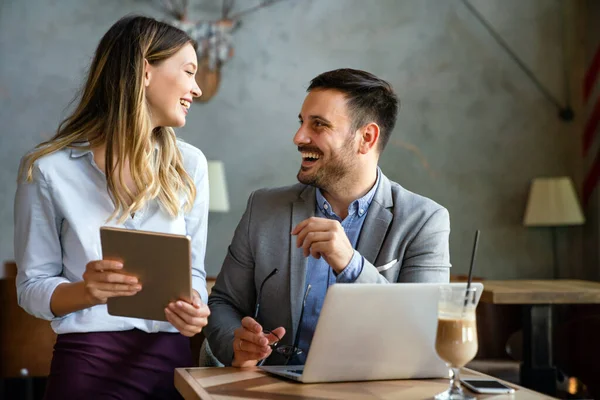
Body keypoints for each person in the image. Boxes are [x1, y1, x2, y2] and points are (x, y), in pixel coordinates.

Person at [14, 15, 210, 399]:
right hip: (87, 366)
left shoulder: (191, 165)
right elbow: (31, 287)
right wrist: (87, 291)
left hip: (172, 365)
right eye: (189, 71)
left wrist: (196, 307)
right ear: (144, 71)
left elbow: (195, 271)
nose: (197, 89)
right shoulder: (48, 170)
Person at [204, 68, 451, 368]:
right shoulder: (263, 207)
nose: (298, 137)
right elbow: (223, 303)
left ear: (366, 138)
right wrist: (237, 343)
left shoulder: (425, 221)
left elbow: (423, 335)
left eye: (318, 125)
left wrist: (351, 265)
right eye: (302, 122)